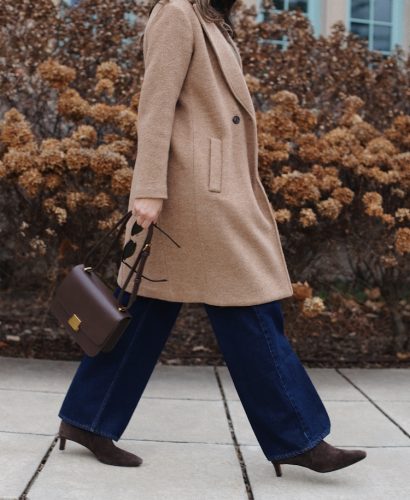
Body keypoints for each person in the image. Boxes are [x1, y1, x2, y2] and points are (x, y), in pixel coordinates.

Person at [57, 0, 367, 476]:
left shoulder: (209, 18)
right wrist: (148, 189)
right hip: (193, 195)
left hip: (209, 191)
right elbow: (155, 103)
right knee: (251, 309)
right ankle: (298, 438)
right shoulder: (177, 13)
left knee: (141, 314)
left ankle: (87, 419)